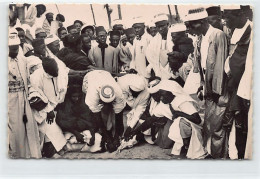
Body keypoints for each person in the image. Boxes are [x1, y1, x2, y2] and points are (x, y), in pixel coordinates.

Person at [184, 7, 228, 159]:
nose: (189, 29)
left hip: (218, 90)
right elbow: (202, 67)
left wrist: (217, 91)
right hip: (208, 88)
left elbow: (220, 65)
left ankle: (219, 159)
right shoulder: (200, 39)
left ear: (203, 21)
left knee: (217, 127)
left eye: (192, 25)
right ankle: (211, 153)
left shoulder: (217, 35)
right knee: (209, 125)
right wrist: (202, 86)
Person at [147, 79, 207, 159]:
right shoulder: (168, 103)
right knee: (177, 123)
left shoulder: (182, 101)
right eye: (160, 95)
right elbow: (152, 119)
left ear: (172, 94)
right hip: (188, 125)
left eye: (163, 95)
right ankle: (185, 145)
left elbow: (198, 120)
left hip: (199, 126)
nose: (161, 98)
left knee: (180, 121)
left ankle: (187, 145)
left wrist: (179, 114)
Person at [222, 5, 252, 159]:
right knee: (236, 123)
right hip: (234, 84)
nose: (225, 20)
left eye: (228, 16)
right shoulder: (233, 30)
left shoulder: (251, 30)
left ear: (240, 14)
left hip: (246, 86)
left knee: (245, 123)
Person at [8, 29, 41, 158]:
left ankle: (31, 156)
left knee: (30, 129)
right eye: (12, 47)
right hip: (9, 100)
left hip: (24, 97)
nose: (15, 49)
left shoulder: (23, 59)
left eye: (16, 47)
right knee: (15, 131)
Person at [29, 56, 70, 158]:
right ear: (46, 70)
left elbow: (62, 88)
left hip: (57, 105)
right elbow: (37, 96)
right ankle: (49, 151)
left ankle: (56, 149)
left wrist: (59, 103)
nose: (56, 73)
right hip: (42, 108)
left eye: (56, 70)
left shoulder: (59, 70)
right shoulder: (36, 77)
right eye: (53, 72)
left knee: (56, 127)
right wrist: (49, 110)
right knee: (48, 128)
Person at [82, 70, 126, 152]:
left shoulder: (118, 93)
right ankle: (101, 131)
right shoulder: (92, 95)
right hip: (90, 77)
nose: (108, 105)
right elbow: (97, 116)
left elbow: (119, 116)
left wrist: (116, 137)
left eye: (110, 103)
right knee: (94, 114)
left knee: (112, 112)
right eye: (106, 103)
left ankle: (110, 131)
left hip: (106, 74)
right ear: (100, 99)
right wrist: (107, 138)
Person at [56, 80, 97, 146]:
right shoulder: (66, 104)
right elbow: (62, 121)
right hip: (72, 126)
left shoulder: (83, 101)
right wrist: (76, 133)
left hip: (82, 124)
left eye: (78, 96)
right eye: (74, 97)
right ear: (69, 96)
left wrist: (93, 135)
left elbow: (89, 119)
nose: (76, 99)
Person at [146, 14, 173, 80]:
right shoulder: (155, 40)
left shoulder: (174, 35)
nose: (160, 29)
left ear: (168, 24)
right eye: (158, 27)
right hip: (160, 69)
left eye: (162, 26)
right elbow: (149, 54)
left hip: (173, 68)